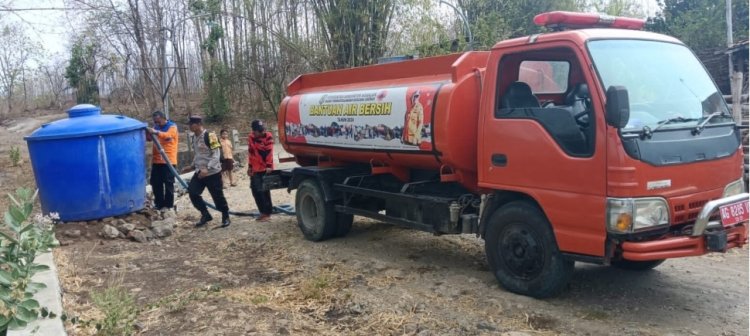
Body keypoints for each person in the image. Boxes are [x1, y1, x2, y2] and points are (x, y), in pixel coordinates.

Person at [181, 116, 230, 228]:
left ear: (198, 124)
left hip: (212, 172)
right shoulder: (194, 137)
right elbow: (198, 154)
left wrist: (207, 168)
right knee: (193, 192)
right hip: (200, 172)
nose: (189, 126)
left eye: (191, 124)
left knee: (217, 196)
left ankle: (225, 216)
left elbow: (216, 154)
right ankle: (205, 214)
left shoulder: (211, 136)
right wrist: (192, 166)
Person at [147, 111, 178, 211]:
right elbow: (149, 139)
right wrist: (147, 132)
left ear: (164, 118)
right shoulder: (156, 127)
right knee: (156, 183)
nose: (157, 124)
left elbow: (168, 135)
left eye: (159, 121)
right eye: (155, 122)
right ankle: (159, 204)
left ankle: (168, 205)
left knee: (168, 183)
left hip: (168, 160)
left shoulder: (172, 126)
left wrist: (156, 132)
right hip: (157, 161)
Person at [247, 119, 274, 222]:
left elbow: (269, 152)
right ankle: (262, 211)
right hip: (254, 168)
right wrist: (249, 167)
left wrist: (269, 165)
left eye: (263, 130)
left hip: (265, 168)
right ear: (254, 131)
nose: (262, 132)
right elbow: (251, 152)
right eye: (259, 130)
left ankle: (267, 213)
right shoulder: (251, 137)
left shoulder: (268, 136)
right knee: (255, 190)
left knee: (264, 190)